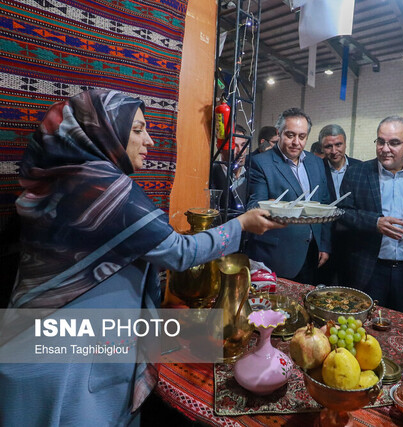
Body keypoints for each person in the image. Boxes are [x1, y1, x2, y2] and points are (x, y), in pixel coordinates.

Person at [0, 90, 282, 426]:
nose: (149, 141)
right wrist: (241, 224)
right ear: (104, 131)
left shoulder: (56, 180)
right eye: (137, 130)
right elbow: (181, 253)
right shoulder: (104, 189)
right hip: (75, 356)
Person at [338, 116, 403, 314]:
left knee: (402, 327)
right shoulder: (357, 172)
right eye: (380, 141)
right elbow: (342, 212)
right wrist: (374, 222)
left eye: (394, 143)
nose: (385, 149)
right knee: (365, 327)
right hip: (369, 268)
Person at [246, 108, 332, 284]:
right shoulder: (261, 162)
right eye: (290, 135)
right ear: (279, 133)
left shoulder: (316, 162)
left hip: (311, 252)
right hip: (277, 254)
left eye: (302, 137)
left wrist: (323, 244)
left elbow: (324, 204)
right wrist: (267, 206)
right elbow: (254, 205)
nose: (296, 142)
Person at [317, 124, 362, 284]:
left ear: (345, 143)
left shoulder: (361, 168)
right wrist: (323, 245)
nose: (334, 150)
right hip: (326, 240)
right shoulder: (316, 168)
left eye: (338, 145)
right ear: (322, 147)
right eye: (328, 146)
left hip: (354, 240)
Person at [211, 124, 249, 213]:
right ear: (219, 148)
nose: (241, 151)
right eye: (234, 146)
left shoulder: (252, 172)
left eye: (243, 145)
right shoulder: (210, 174)